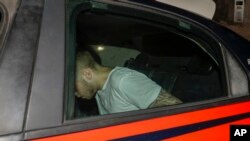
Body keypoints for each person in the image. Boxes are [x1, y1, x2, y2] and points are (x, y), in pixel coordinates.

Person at [75, 51, 182, 115]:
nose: (76, 93)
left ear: (87, 74)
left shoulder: (122, 81)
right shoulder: (99, 91)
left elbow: (177, 107)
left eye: (74, 87)